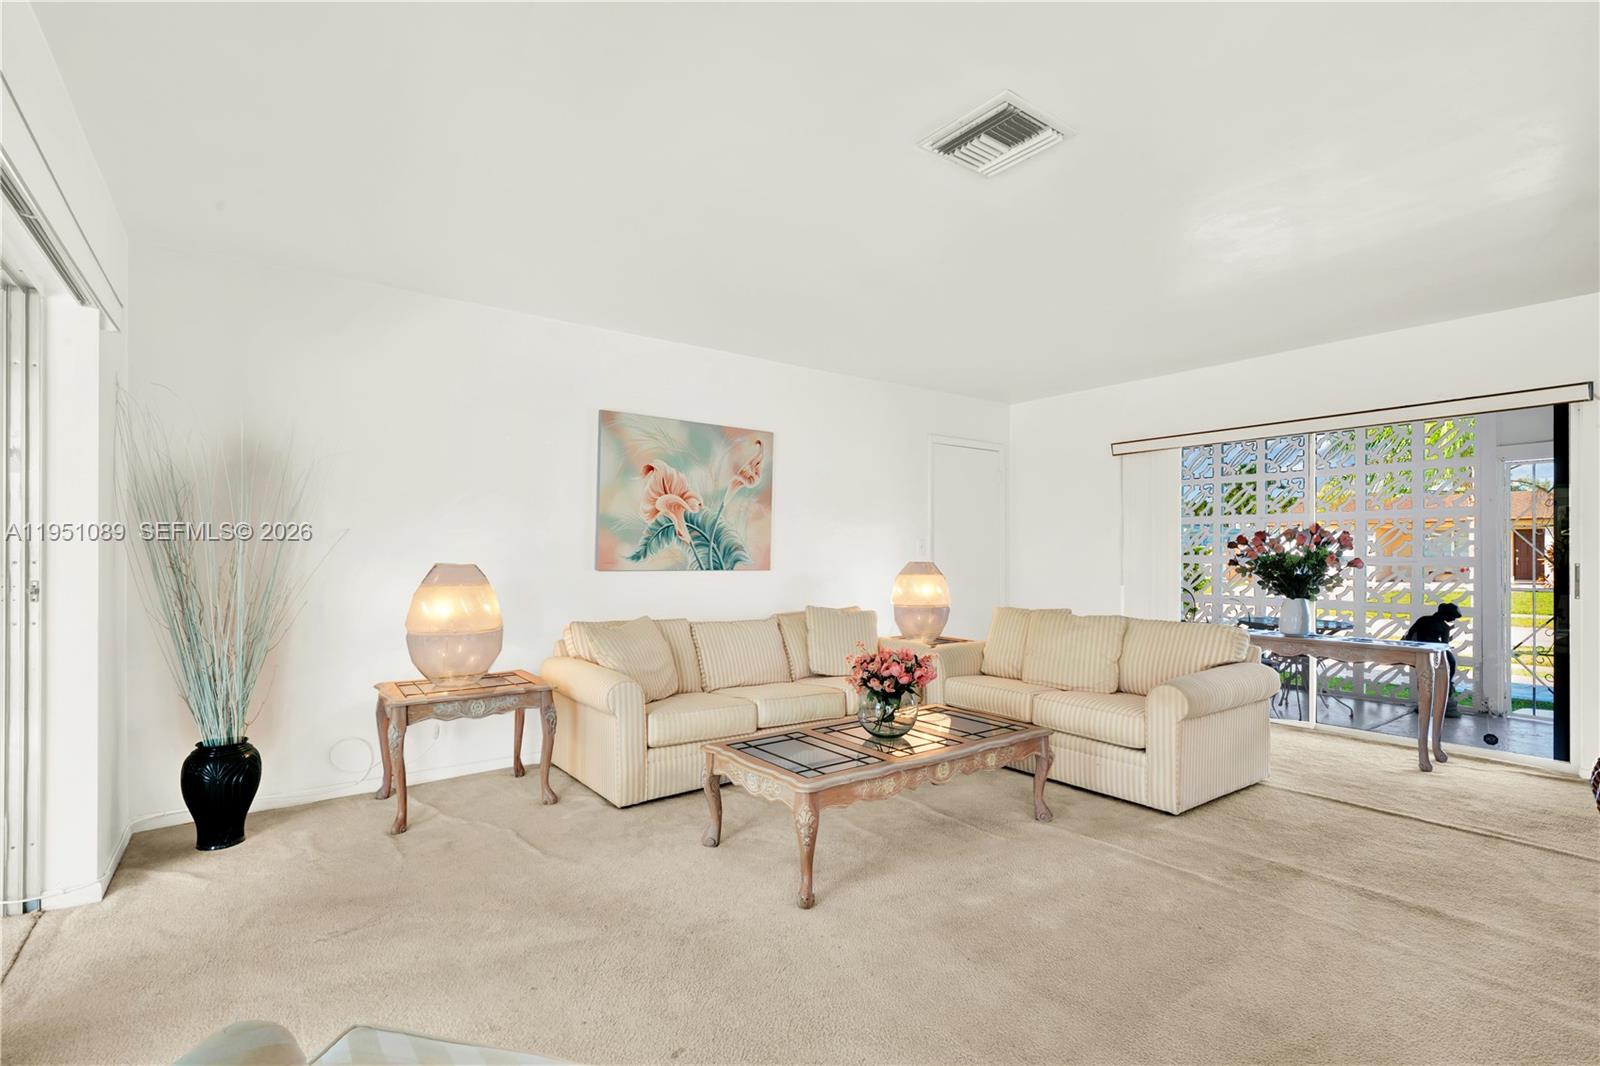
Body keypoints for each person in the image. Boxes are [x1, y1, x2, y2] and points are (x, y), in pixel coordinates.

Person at [1404, 603, 1462, 717]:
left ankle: (1427, 702)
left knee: (1425, 677)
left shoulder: (1423, 619)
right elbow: (1445, 644)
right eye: (1453, 617)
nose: (1453, 619)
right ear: (1448, 616)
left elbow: (1410, 634)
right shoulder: (1444, 627)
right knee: (1450, 665)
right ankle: (1446, 688)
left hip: (1419, 652)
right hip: (1436, 653)